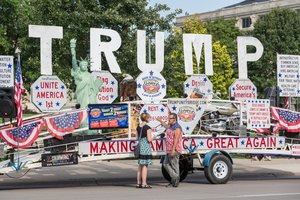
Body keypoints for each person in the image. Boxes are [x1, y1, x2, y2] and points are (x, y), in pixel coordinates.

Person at [157, 113, 182, 187]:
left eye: (170, 118)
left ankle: (175, 180)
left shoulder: (177, 128)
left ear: (174, 119)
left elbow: (176, 139)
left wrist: (173, 150)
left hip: (174, 149)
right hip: (168, 149)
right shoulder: (171, 126)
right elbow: (165, 125)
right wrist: (160, 120)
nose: (168, 120)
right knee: (165, 164)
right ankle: (175, 177)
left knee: (174, 165)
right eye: (168, 118)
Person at [136, 113, 153, 189]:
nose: (150, 119)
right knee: (145, 165)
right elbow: (149, 140)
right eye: (149, 117)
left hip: (140, 147)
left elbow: (137, 138)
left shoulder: (138, 127)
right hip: (145, 147)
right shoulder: (148, 128)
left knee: (140, 166)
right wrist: (154, 137)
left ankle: (138, 183)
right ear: (146, 118)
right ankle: (144, 183)